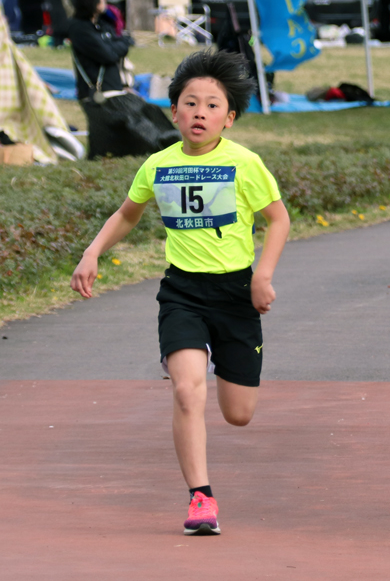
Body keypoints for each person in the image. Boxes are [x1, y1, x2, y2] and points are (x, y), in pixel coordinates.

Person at [71, 49, 291, 536]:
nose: (199, 113)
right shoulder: (158, 164)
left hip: (236, 294)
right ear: (173, 112)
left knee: (238, 414)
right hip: (182, 292)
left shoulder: (244, 164)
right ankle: (201, 498)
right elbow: (128, 213)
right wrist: (92, 252)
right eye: (190, 103)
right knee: (188, 390)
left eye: (212, 105)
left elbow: (277, 219)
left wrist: (262, 275)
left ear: (229, 118)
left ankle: (212, 361)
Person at [68, 0, 178, 158]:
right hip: (100, 95)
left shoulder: (101, 26)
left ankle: (172, 142)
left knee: (151, 111)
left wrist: (119, 44)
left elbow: (116, 45)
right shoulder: (80, 29)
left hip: (116, 91)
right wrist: (122, 44)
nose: (105, 0)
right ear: (91, 0)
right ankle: (160, 145)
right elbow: (108, 54)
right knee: (137, 121)